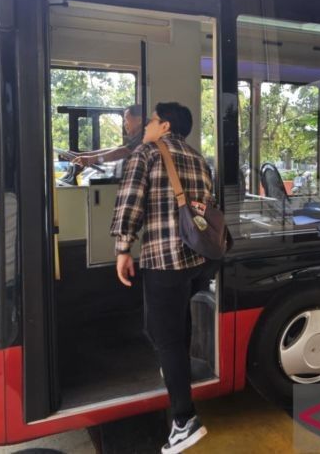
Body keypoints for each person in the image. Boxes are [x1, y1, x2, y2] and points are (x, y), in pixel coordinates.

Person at [110, 102, 212, 454]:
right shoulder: (199, 160)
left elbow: (130, 203)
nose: (147, 126)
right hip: (197, 259)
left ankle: (185, 419)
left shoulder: (147, 153)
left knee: (162, 334)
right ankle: (177, 375)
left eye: (152, 121)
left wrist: (123, 248)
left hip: (164, 261)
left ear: (165, 126)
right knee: (177, 328)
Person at [70, 104, 144, 168]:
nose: (125, 124)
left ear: (139, 120)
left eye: (126, 120)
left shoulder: (145, 133)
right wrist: (81, 155)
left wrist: (91, 159)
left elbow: (123, 152)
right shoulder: (136, 137)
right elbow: (118, 149)